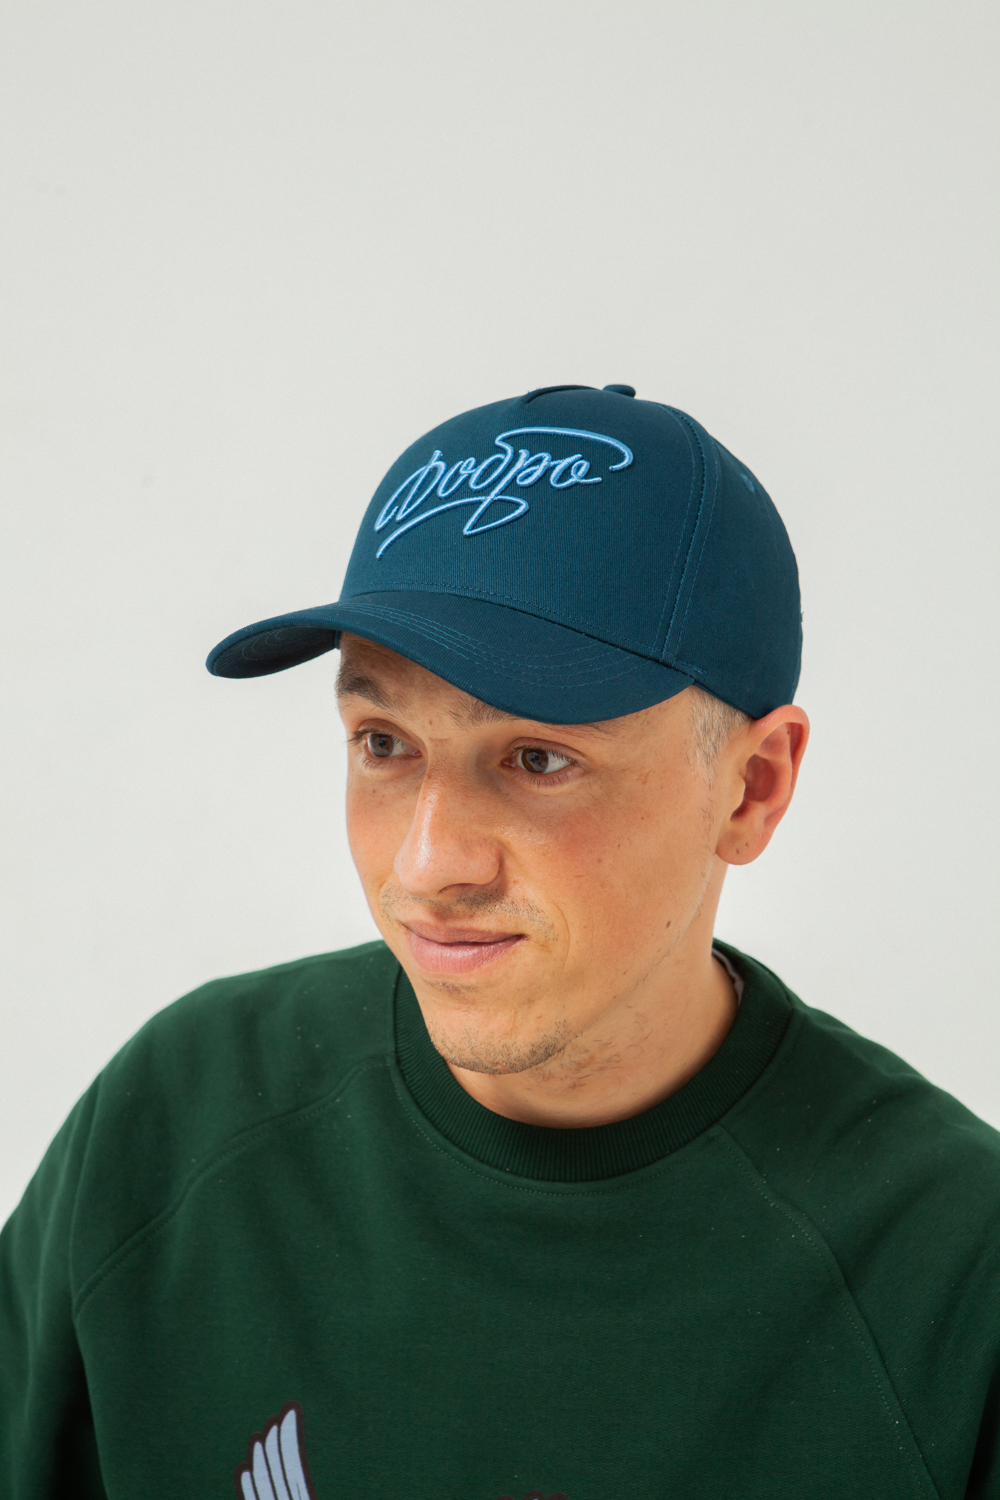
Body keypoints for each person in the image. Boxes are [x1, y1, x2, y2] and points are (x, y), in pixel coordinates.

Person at [1, 384, 997, 1500]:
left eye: (538, 759)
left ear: (752, 787)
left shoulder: (954, 1277)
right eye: (383, 743)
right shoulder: (179, 1122)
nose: (429, 865)